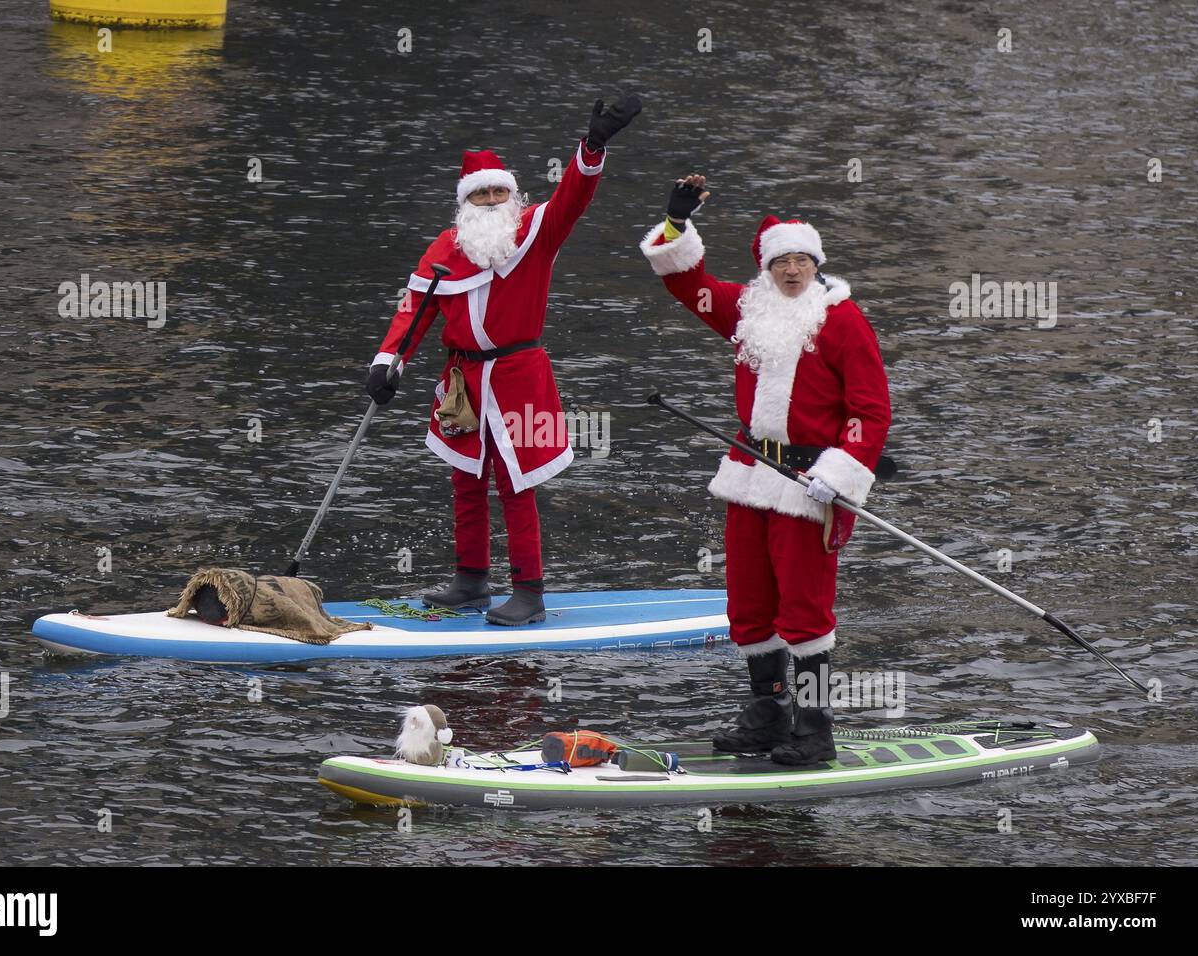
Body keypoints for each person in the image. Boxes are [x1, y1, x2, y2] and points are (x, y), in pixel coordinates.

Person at [639, 174, 891, 764]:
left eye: (804, 260)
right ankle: (769, 712)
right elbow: (686, 282)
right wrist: (675, 223)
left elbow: (871, 408)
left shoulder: (843, 320)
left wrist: (844, 469)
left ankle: (815, 726)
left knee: (805, 610)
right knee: (749, 603)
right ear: (766, 269)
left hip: (812, 483)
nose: (794, 270)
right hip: (750, 472)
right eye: (783, 261)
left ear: (816, 264)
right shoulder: (746, 311)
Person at [366, 96, 642, 626]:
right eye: (482, 193)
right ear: (465, 202)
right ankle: (469, 580)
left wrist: (593, 147)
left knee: (517, 484)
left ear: (512, 195)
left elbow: (573, 196)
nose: (493, 200)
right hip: (462, 379)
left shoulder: (537, 231)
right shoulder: (444, 248)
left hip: (519, 376)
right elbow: (414, 312)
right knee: (465, 479)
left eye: (500, 191)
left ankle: (529, 592)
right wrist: (388, 362)